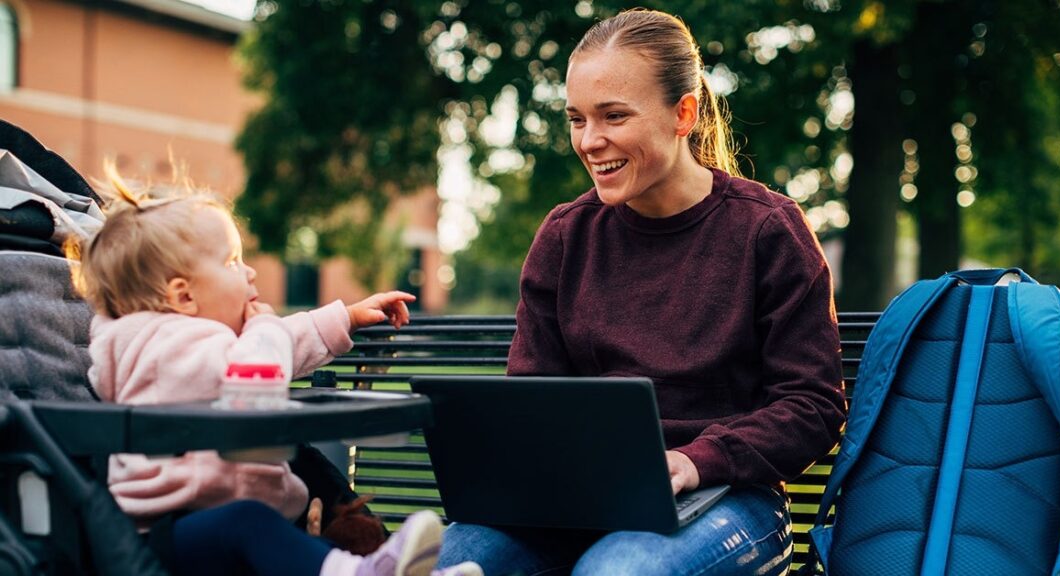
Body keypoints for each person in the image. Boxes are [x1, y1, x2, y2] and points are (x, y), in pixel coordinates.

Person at [437, 8, 846, 576]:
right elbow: (535, 400)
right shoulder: (565, 236)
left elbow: (813, 407)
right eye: (576, 119)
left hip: (729, 498)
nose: (590, 141)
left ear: (683, 114)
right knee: (460, 560)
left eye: (613, 116)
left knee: (619, 572)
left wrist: (690, 461)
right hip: (582, 501)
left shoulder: (767, 230)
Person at [71, 169, 482, 576]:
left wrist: (348, 317)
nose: (249, 272)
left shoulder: (197, 341)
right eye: (232, 262)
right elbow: (256, 372)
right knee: (252, 524)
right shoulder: (161, 349)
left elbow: (279, 344)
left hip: (209, 519)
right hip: (175, 534)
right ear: (183, 295)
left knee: (310, 550)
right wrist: (264, 326)